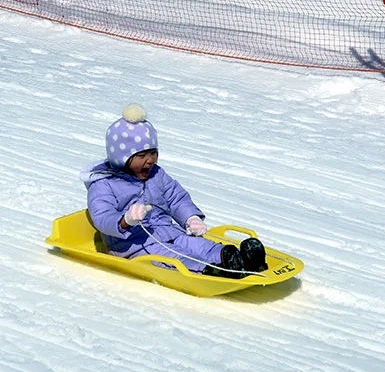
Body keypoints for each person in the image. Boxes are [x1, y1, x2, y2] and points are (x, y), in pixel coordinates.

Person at [81, 103, 267, 278]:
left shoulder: (156, 174)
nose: (150, 160)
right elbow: (102, 216)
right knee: (175, 257)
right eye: (142, 155)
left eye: (153, 153)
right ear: (121, 158)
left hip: (169, 231)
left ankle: (234, 258)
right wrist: (125, 220)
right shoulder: (104, 184)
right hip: (135, 245)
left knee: (199, 244)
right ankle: (209, 271)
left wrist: (190, 218)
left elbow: (176, 198)